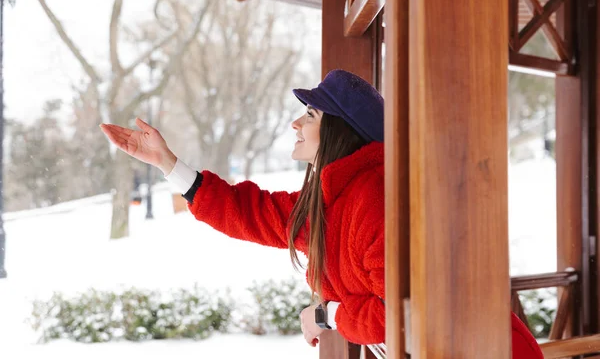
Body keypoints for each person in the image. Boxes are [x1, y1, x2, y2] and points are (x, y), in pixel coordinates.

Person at [100, 69, 544, 357]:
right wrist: (167, 163)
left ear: (337, 129)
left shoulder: (376, 199)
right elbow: (250, 212)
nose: (296, 124)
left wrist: (326, 315)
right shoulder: (332, 199)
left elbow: (402, 315)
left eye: (309, 114)